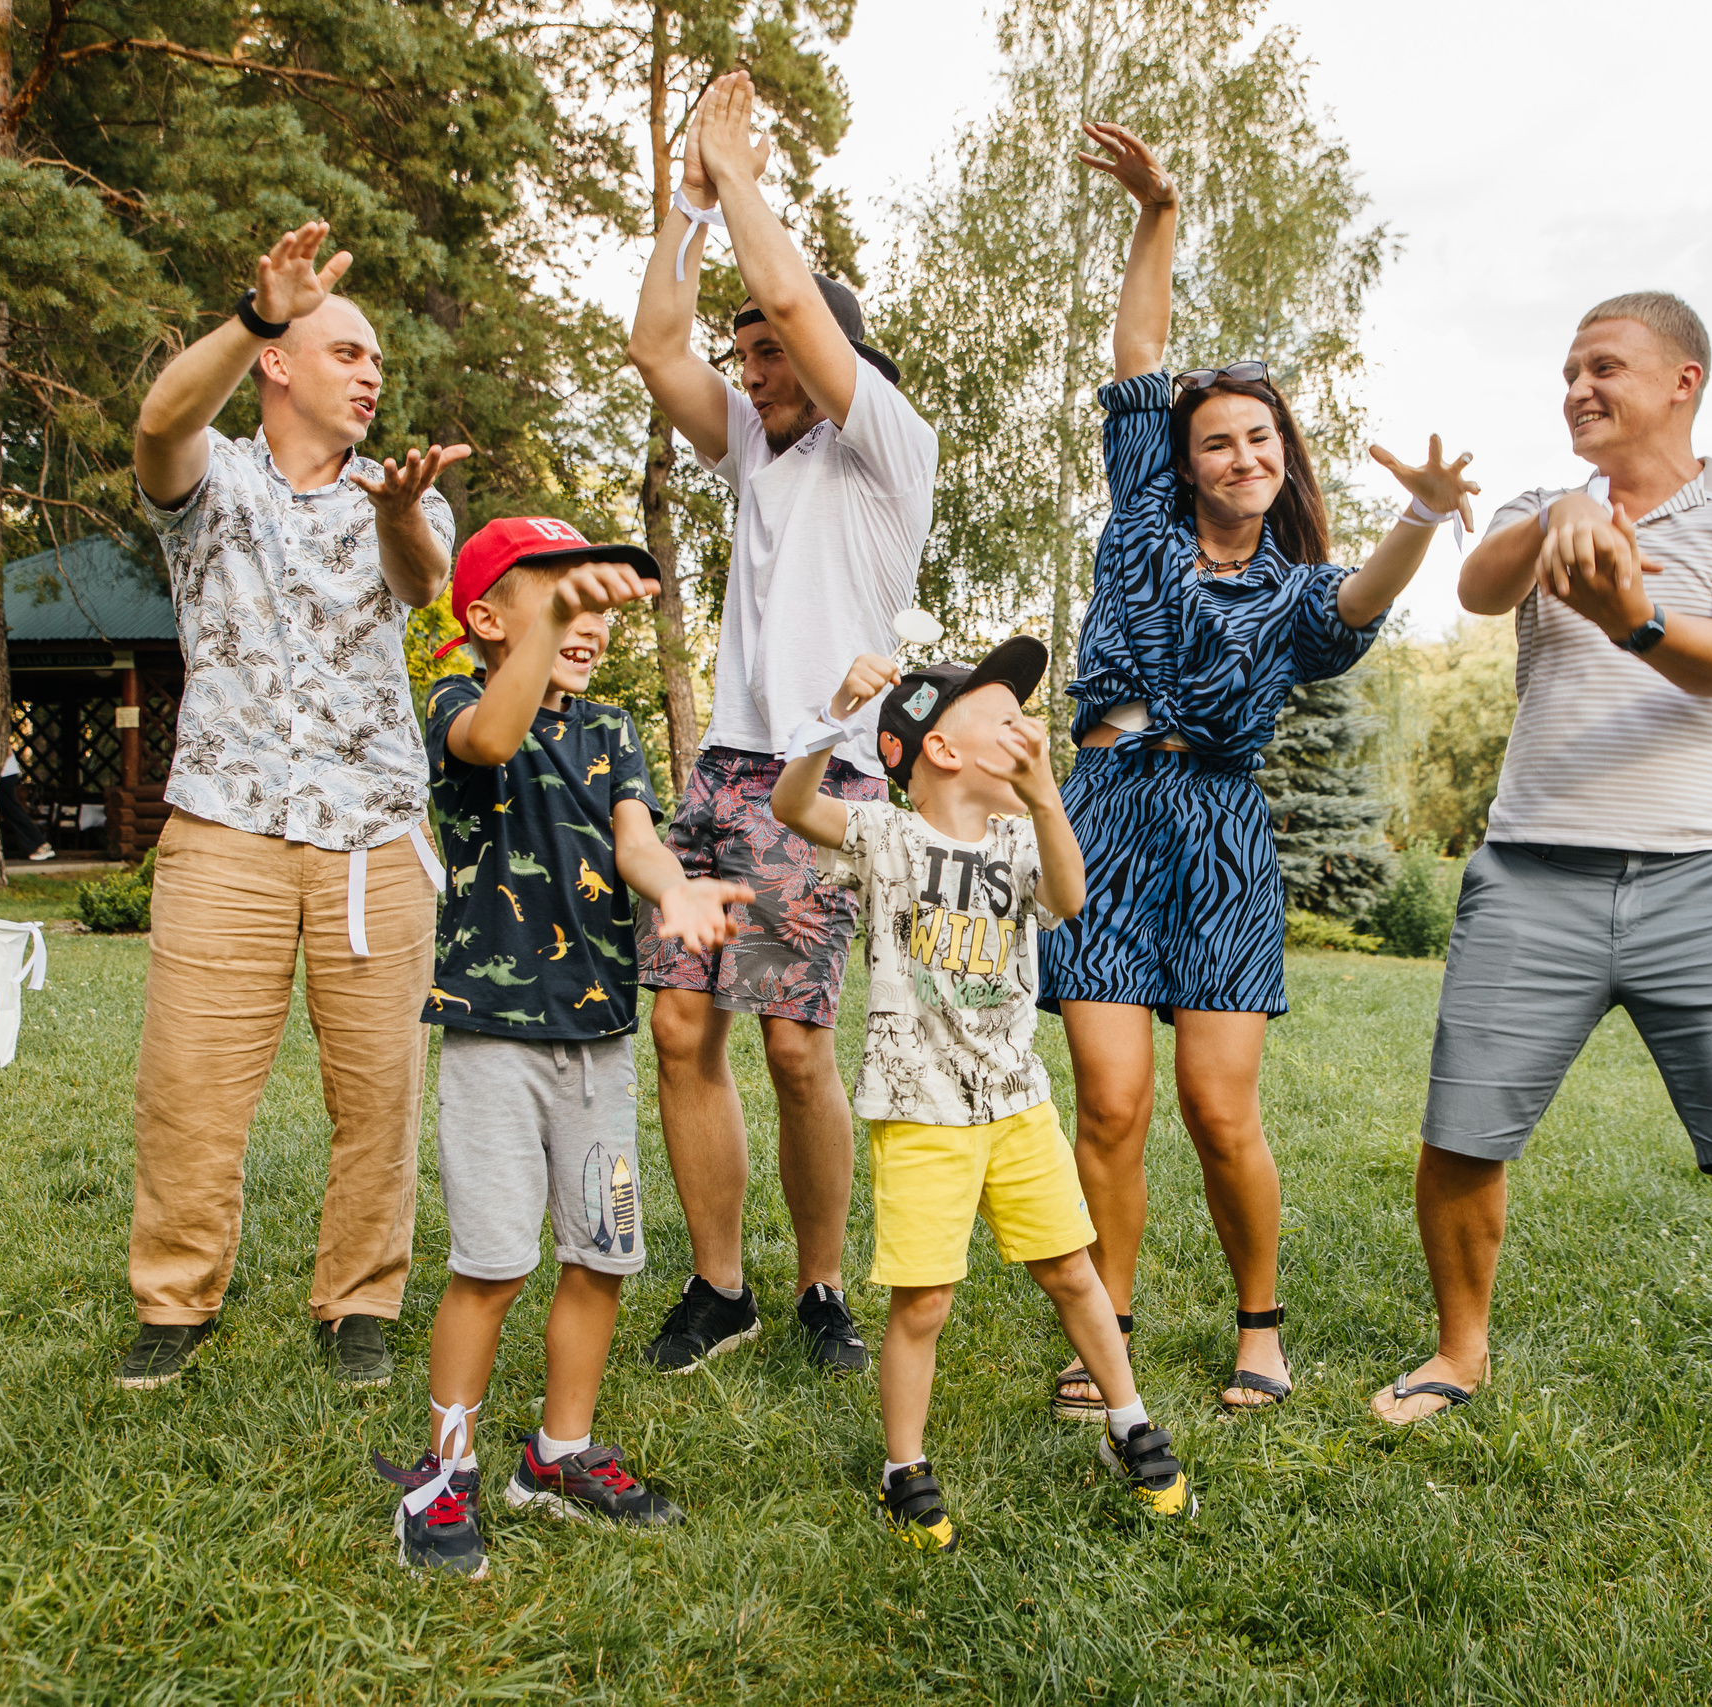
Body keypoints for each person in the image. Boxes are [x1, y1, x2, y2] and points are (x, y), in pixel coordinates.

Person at [1370, 291, 1712, 1503]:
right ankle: (1461, 1351)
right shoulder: (1534, 504)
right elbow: (1481, 589)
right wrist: (1564, 512)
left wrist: (1635, 617)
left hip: (1710, 880)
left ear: (1683, 381)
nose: (1576, 388)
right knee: (1463, 1137)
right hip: (1533, 877)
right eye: (1566, 371)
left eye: (1603, 367)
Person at [1040, 123, 1480, 1416]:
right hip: (1107, 810)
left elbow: (1361, 599)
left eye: (1261, 441)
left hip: (1222, 833)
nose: (1241, 455)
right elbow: (1139, 356)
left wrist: (1421, 514)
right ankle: (1106, 1333)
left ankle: (1260, 1321)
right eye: (1219, 440)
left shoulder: (1294, 593)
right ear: (1186, 459)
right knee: (1111, 1099)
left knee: (1217, 1108)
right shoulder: (1139, 518)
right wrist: (1159, 211)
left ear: (1284, 460)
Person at [117, 221, 470, 1392]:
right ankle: (173, 1302)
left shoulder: (405, 496)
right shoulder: (212, 483)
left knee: (378, 1098)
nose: (372, 373)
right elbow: (161, 424)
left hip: (375, 838)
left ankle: (358, 1302)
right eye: (347, 351)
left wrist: (394, 516)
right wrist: (255, 311)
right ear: (277, 360)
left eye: (378, 361)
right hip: (228, 829)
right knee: (191, 1086)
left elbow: (423, 587)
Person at [624, 71, 939, 1376]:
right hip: (721, 775)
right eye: (743, 351)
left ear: (833, 359)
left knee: (794, 1040)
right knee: (681, 1026)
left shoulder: (889, 447)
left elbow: (805, 304)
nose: (750, 371)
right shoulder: (755, 442)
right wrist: (690, 212)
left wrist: (744, 171)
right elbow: (655, 346)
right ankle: (720, 1283)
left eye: (772, 353)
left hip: (824, 779)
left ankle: (818, 1286)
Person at [372, 516, 754, 1578]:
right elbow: (492, 741)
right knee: (492, 1264)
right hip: (495, 1038)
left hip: (600, 1038)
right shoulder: (458, 702)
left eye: (591, 601)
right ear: (490, 619)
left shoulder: (613, 728)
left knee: (601, 1254)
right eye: (558, 594)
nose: (585, 616)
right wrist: (546, 623)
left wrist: (676, 887)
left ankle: (557, 1455)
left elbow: (634, 838)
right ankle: (444, 1476)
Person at [773, 639, 1195, 1549]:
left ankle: (1129, 1422)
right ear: (941, 750)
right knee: (921, 1301)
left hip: (1017, 1104)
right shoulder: (886, 833)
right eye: (1007, 719)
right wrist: (838, 708)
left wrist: (1047, 797)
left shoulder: (1018, 835)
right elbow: (791, 803)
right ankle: (903, 1467)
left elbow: (1071, 899)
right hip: (919, 1110)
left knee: (1072, 1269)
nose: (1029, 731)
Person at [0, 753, 54, 862]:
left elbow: (7, 751)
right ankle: (37, 843)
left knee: (11, 808)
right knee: (8, 810)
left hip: (4, 772)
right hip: (3, 771)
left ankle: (39, 843)